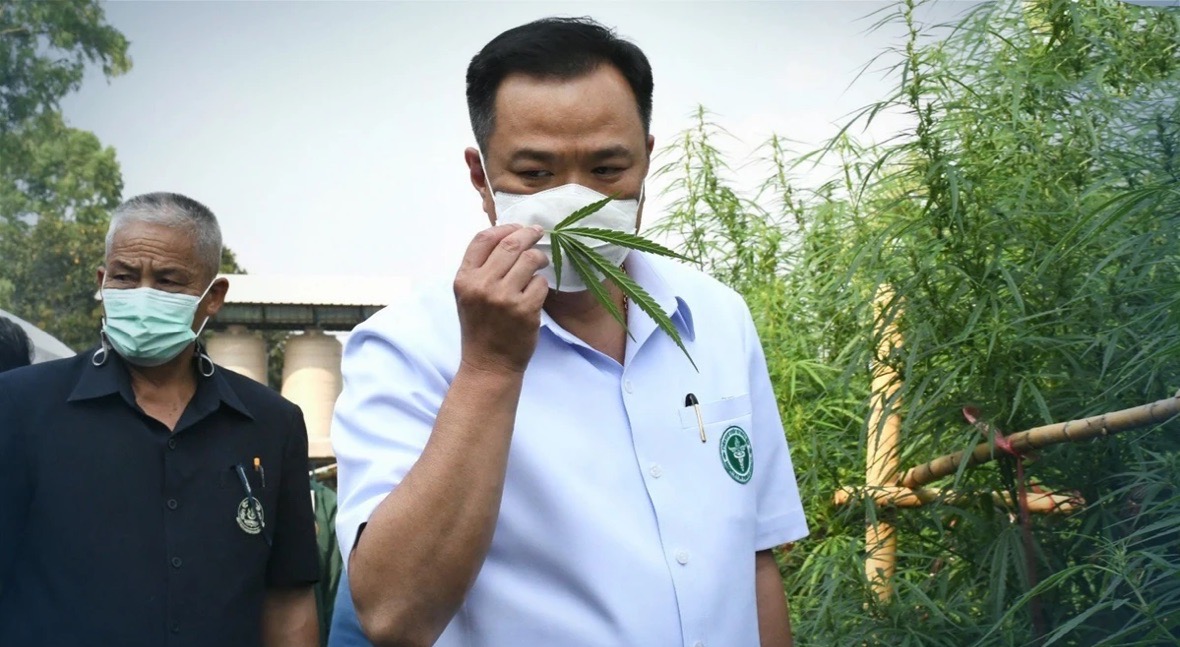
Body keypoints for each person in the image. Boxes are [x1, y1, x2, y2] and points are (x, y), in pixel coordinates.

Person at [331, 17, 809, 647]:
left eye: (607, 169)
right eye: (536, 174)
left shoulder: (716, 318)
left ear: (646, 162)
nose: (576, 201)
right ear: (481, 178)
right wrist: (490, 368)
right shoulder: (409, 347)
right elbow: (393, 615)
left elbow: (752, 560)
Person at [0, 192, 320, 647]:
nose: (142, 297)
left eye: (169, 281)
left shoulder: (271, 424)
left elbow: (287, 600)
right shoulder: (21, 407)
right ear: (102, 281)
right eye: (125, 278)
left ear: (214, 297)